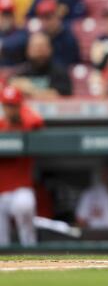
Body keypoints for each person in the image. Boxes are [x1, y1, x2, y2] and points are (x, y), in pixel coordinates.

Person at [0, 86, 44, 247]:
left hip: (20, 188)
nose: (10, 109)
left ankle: (30, 251)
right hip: (0, 190)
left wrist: (22, 109)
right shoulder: (0, 125)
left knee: (24, 204)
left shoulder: (27, 123)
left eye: (13, 105)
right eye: (7, 105)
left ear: (19, 105)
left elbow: (38, 120)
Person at [10, 32, 72, 97]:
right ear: (28, 50)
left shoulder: (60, 73)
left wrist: (30, 90)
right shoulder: (21, 72)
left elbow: (60, 96)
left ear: (50, 49)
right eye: (35, 47)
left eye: (42, 47)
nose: (39, 51)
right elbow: (12, 88)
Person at [34, 0, 81, 67]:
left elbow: (69, 64)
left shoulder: (68, 39)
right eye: (42, 18)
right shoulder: (41, 37)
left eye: (48, 17)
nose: (45, 22)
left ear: (57, 16)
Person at [0, 0, 28, 66]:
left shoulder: (22, 32)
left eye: (9, 14)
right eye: (4, 14)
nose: (7, 18)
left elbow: (20, 41)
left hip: (16, 73)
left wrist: (3, 45)